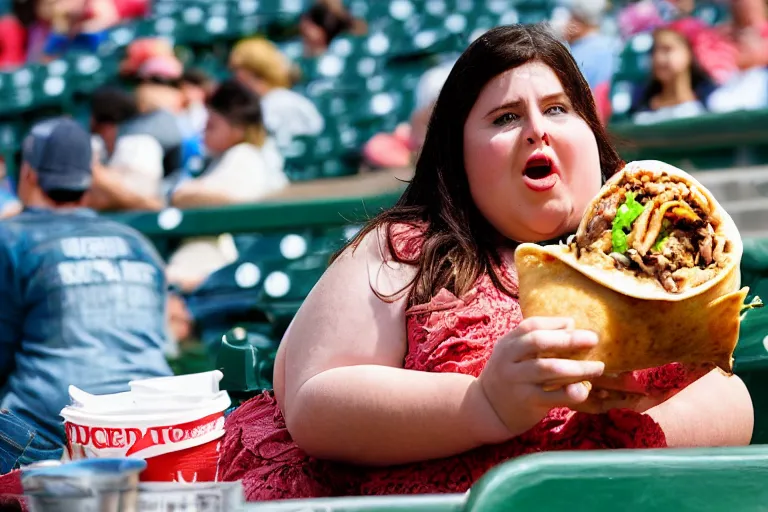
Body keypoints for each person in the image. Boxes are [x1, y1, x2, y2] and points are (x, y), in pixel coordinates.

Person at [218, 24, 753, 500]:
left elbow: (732, 403)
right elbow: (316, 404)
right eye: (504, 117)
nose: (536, 129)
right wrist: (483, 404)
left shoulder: (656, 255)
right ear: (458, 156)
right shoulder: (408, 249)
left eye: (559, 108)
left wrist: (631, 416)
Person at [0, 117, 172, 473]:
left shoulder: (9, 239)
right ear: (88, 178)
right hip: (155, 438)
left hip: (48, 441)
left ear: (29, 173)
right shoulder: (137, 243)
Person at [168, 79, 288, 291]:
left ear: (238, 129)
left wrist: (183, 193)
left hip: (225, 265)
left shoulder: (244, 155)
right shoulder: (221, 157)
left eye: (212, 124)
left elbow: (230, 200)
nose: (204, 130)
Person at [229, 37, 324, 147]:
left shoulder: (279, 102)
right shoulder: (271, 101)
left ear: (252, 71)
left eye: (237, 70)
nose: (234, 78)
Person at [631, 27, 716, 124]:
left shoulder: (713, 103)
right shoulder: (641, 109)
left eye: (667, 49)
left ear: (689, 53)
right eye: (654, 51)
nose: (658, 58)